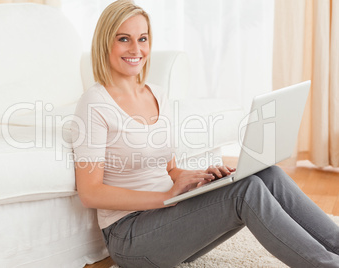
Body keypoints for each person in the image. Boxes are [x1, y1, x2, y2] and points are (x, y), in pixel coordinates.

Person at [71, 0, 339, 267]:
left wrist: (193, 179)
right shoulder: (94, 104)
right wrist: (167, 198)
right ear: (106, 42)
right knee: (245, 192)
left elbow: (169, 169)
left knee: (267, 173)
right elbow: (90, 193)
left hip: (170, 218)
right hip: (130, 236)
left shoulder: (156, 94)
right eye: (124, 39)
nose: (136, 49)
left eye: (142, 38)